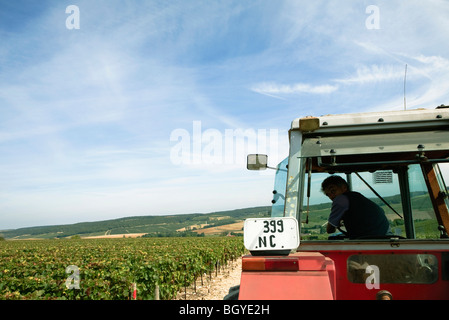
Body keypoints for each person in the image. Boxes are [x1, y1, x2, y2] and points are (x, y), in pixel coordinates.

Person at [321, 175, 391, 239]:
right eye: (328, 195)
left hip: (371, 239)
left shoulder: (340, 199)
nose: (331, 197)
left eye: (333, 191)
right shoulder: (356, 196)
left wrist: (336, 222)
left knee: (332, 238)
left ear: (344, 188)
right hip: (385, 234)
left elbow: (330, 230)